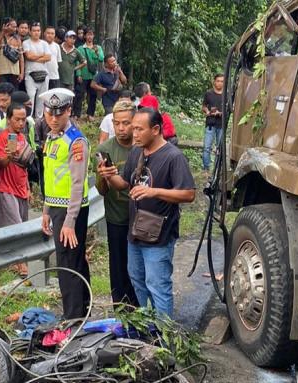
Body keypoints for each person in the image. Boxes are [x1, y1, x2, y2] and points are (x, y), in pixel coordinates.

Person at [98, 108, 196, 317]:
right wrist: (108, 175)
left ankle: (165, 339)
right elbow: (123, 183)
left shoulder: (173, 157)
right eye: (133, 129)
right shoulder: (137, 152)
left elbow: (188, 194)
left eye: (139, 129)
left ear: (156, 129)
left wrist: (154, 192)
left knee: (158, 286)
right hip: (135, 232)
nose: (134, 134)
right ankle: (148, 330)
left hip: (159, 236)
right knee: (138, 282)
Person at [40, 88, 91, 319]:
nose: (53, 118)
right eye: (49, 113)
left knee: (68, 265)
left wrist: (70, 221)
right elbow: (51, 178)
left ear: (69, 111)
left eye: (58, 114)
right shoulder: (52, 138)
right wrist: (45, 210)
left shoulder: (75, 141)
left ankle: (74, 319)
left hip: (72, 209)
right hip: (58, 208)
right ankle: (82, 312)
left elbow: (78, 184)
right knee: (73, 261)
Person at [96, 100, 138, 306]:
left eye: (126, 123)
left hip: (141, 219)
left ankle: (142, 310)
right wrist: (103, 176)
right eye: (117, 123)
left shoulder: (142, 146)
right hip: (116, 218)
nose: (121, 128)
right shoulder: (105, 149)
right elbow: (102, 190)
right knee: (118, 268)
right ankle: (122, 311)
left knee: (139, 269)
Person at [0, 102, 31, 276]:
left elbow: (25, 166)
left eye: (23, 119)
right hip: (6, 187)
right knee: (16, 225)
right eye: (17, 120)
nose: (21, 123)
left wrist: (28, 186)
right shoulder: (3, 136)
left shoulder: (23, 136)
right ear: (9, 119)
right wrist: (9, 153)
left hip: (21, 187)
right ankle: (21, 263)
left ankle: (15, 261)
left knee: (22, 225)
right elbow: (0, 163)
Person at [22, 23, 50, 118]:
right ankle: (29, 120)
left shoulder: (44, 43)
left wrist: (35, 57)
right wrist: (42, 55)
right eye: (34, 30)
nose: (36, 33)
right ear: (30, 32)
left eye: (38, 30)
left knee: (42, 99)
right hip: (30, 75)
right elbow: (28, 56)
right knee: (30, 98)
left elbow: (48, 57)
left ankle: (39, 120)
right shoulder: (26, 43)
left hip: (44, 74)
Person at [74, 28, 103, 120]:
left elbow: (101, 59)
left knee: (93, 95)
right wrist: (78, 74)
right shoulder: (80, 48)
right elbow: (77, 62)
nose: (90, 36)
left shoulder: (98, 47)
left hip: (94, 76)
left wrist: (97, 52)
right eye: (88, 34)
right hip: (83, 75)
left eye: (91, 34)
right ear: (85, 36)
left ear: (93, 36)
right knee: (79, 95)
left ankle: (90, 114)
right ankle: (77, 114)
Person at [0, 17, 23, 89]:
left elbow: (21, 57)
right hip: (1, 72)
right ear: (5, 25)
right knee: (3, 92)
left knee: (13, 94)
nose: (15, 28)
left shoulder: (17, 39)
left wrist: (21, 73)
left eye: (16, 27)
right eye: (13, 26)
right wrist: (3, 31)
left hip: (15, 72)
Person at [202, 73, 225, 172]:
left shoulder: (226, 95)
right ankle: (206, 168)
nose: (220, 83)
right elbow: (204, 106)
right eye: (218, 81)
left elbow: (230, 109)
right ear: (214, 82)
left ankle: (216, 169)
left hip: (221, 124)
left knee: (219, 148)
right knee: (207, 147)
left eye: (222, 81)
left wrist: (221, 113)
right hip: (210, 124)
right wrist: (207, 111)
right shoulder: (209, 93)